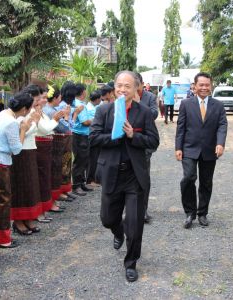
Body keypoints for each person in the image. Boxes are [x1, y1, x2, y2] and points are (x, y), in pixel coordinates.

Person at [90, 70, 159, 282]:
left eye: (127, 86)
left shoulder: (144, 112)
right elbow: (93, 138)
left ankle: (131, 262)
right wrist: (116, 137)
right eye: (119, 85)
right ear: (114, 87)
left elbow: (153, 141)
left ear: (136, 88)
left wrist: (133, 135)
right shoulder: (104, 111)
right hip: (111, 172)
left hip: (134, 175)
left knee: (135, 223)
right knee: (108, 218)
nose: (122, 89)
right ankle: (117, 232)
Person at [175, 72, 228, 229]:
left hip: (209, 150)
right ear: (195, 86)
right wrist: (178, 147)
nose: (204, 87)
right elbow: (181, 127)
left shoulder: (218, 105)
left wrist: (220, 143)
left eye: (207, 85)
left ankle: (202, 213)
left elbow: (222, 125)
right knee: (189, 178)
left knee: (206, 182)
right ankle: (189, 213)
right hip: (189, 148)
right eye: (201, 85)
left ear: (211, 86)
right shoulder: (186, 104)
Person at [0, 92, 33, 248]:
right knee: (2, 200)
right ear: (25, 109)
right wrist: (23, 130)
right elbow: (17, 149)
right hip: (0, 161)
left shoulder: (3, 114)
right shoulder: (11, 122)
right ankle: (2, 239)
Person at [10, 85, 43, 235]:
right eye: (35, 99)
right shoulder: (20, 115)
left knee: (31, 187)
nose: (37, 102)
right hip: (21, 152)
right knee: (21, 187)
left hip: (30, 150)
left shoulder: (30, 113)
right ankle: (18, 221)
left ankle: (29, 218)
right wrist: (34, 122)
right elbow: (21, 133)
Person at [35, 87, 62, 221]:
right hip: (39, 147)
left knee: (46, 178)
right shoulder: (35, 112)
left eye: (45, 97)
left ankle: (44, 208)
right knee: (41, 179)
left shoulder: (42, 112)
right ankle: (39, 211)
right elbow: (45, 128)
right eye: (42, 97)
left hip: (45, 146)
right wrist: (56, 119)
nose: (45, 100)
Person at [135, 72, 159, 223]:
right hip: (127, 144)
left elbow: (155, 113)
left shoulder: (149, 97)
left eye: (137, 84)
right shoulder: (123, 97)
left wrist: (139, 106)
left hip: (144, 144)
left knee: (143, 178)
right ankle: (130, 208)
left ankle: (143, 210)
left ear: (142, 83)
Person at [71, 83, 93, 195]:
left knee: (84, 159)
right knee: (80, 160)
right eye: (85, 90)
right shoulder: (79, 104)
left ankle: (81, 183)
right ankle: (76, 185)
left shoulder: (79, 103)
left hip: (81, 135)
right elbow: (85, 122)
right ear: (82, 92)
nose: (86, 92)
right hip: (79, 135)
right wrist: (97, 120)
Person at [86, 90, 102, 187]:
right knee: (93, 158)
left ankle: (93, 178)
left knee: (94, 158)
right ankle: (90, 179)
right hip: (92, 136)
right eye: (100, 99)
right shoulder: (92, 109)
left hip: (92, 135)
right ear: (97, 99)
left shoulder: (92, 107)